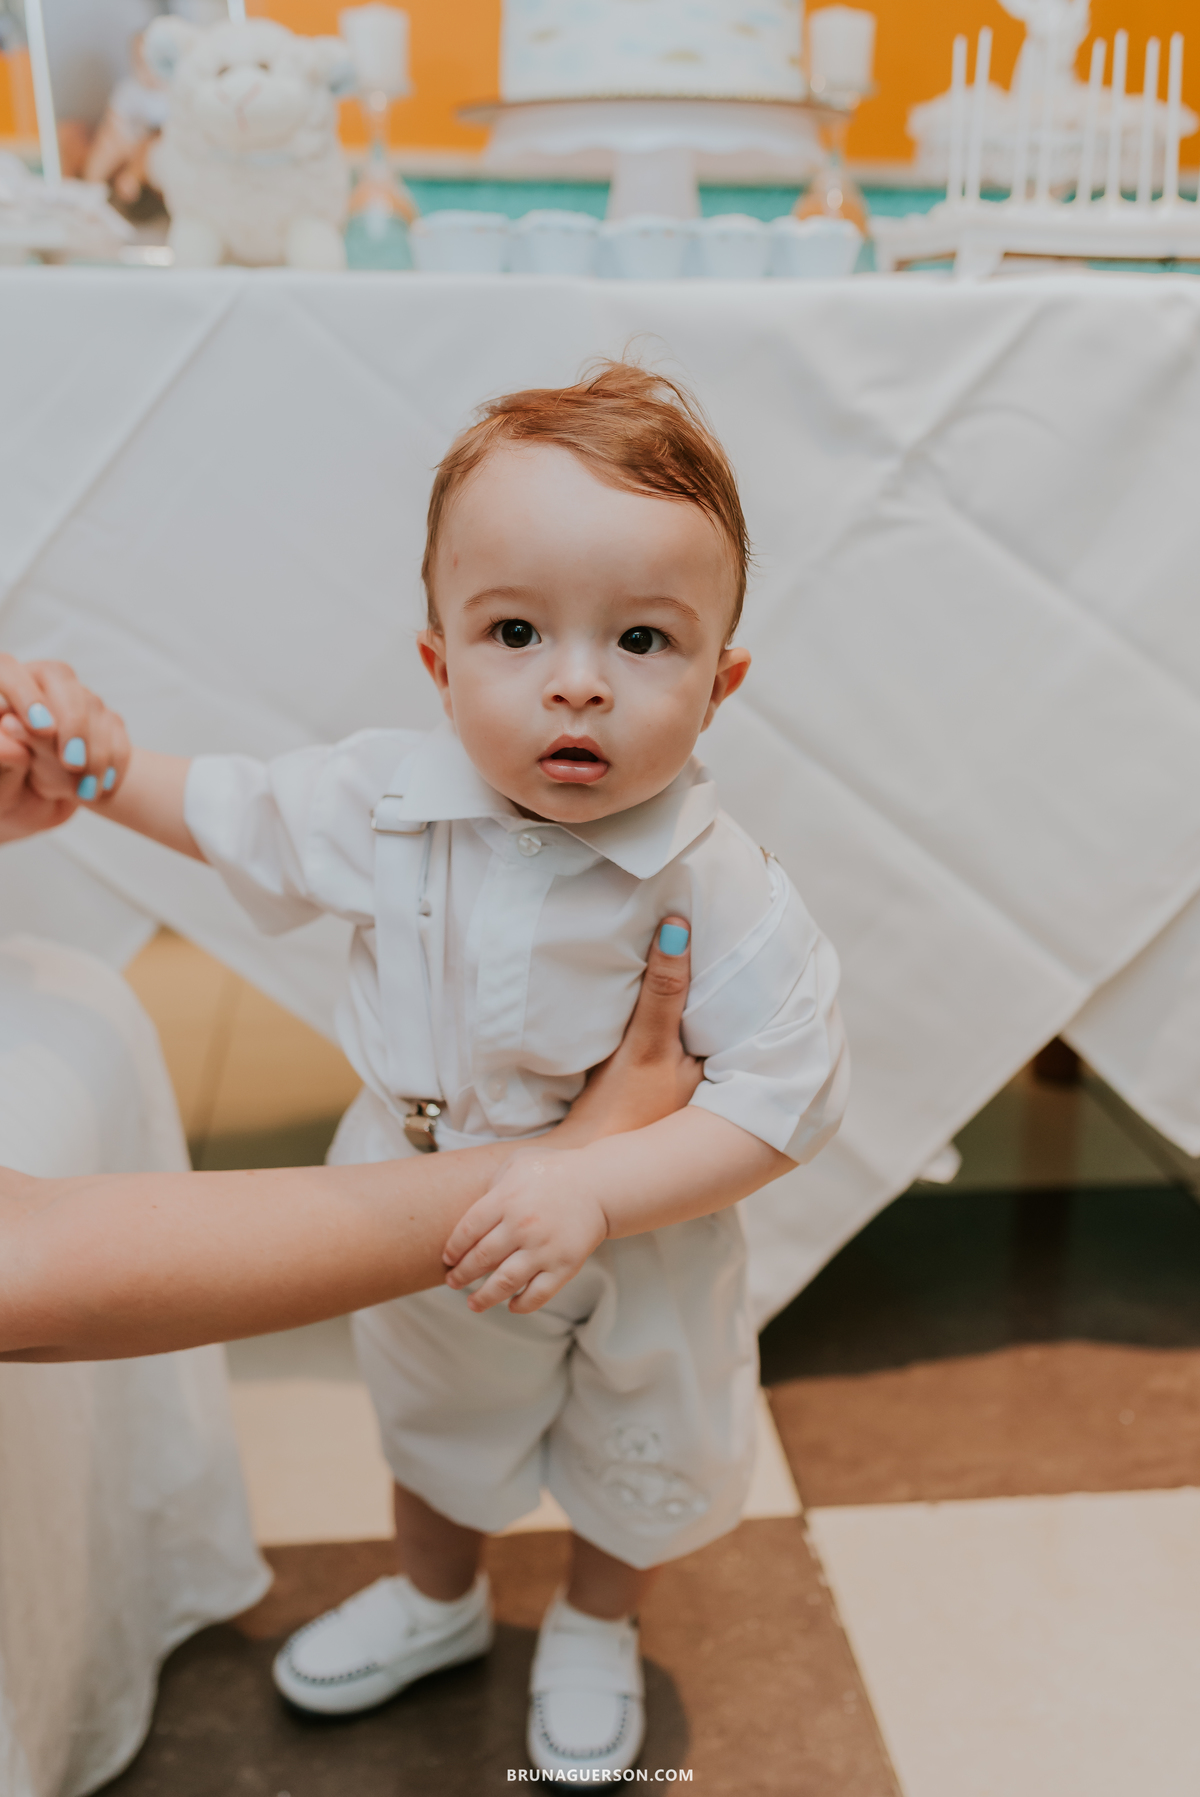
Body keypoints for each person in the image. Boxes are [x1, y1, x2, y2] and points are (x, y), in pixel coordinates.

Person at [3, 362, 848, 1777]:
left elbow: (787, 1095)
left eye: (643, 640)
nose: (577, 678)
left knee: (642, 1432)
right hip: (415, 1197)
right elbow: (235, 815)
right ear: (440, 662)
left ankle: (596, 1617)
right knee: (430, 1419)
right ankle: (439, 1597)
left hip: (642, 1231)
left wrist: (606, 1188)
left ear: (721, 683)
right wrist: (97, 768)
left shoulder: (725, 885)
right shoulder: (390, 804)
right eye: (517, 630)